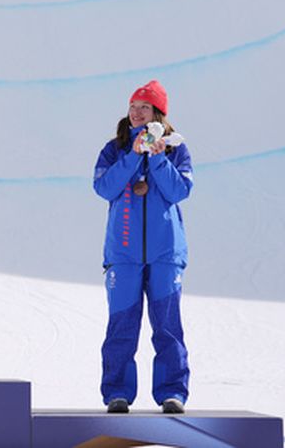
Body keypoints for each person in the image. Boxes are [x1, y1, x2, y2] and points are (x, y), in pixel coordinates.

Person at [93, 80, 192, 414]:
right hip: (123, 254)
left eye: (144, 107)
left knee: (167, 326)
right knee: (122, 325)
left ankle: (171, 393)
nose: (136, 112)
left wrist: (158, 158)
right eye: (133, 106)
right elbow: (104, 188)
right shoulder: (115, 148)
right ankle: (117, 392)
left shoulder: (177, 149)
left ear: (159, 114)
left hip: (166, 254)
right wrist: (134, 156)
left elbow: (179, 192)